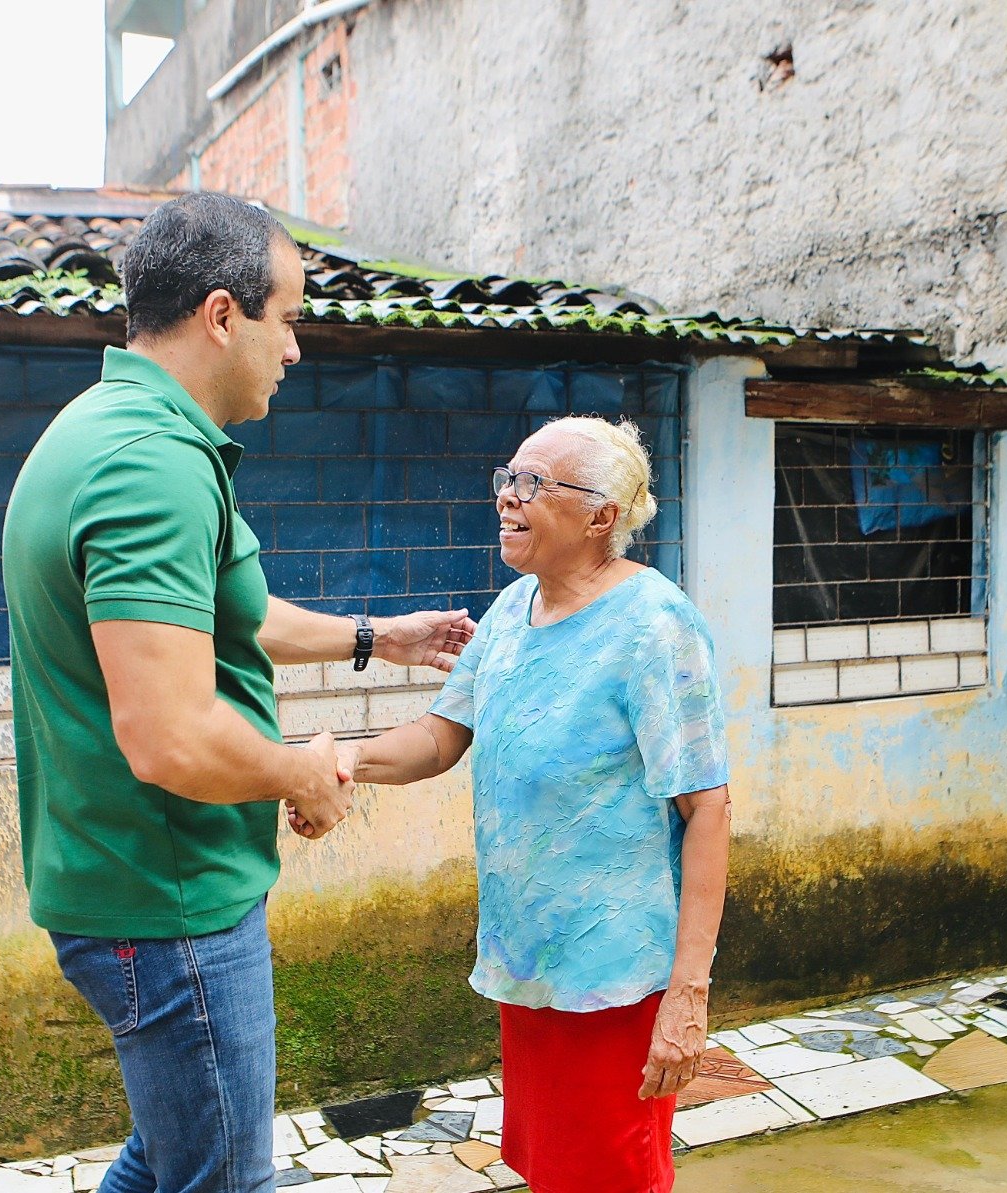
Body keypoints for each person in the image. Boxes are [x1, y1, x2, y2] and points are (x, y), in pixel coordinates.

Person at [2, 192, 475, 1193]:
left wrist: (370, 638)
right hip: (167, 897)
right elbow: (171, 735)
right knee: (220, 1176)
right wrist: (298, 771)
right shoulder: (152, 467)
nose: (296, 348)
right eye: (290, 317)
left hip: (129, 879)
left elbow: (225, 615)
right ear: (223, 315)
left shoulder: (110, 428)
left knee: (169, 1156)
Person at [305, 415, 732, 1193]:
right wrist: (343, 761)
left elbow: (707, 808)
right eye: (508, 477)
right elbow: (439, 736)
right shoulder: (512, 612)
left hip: (613, 981)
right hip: (532, 968)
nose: (508, 496)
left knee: (612, 1175)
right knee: (554, 1169)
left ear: (602, 515)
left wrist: (688, 994)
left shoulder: (654, 626)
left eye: (534, 483)